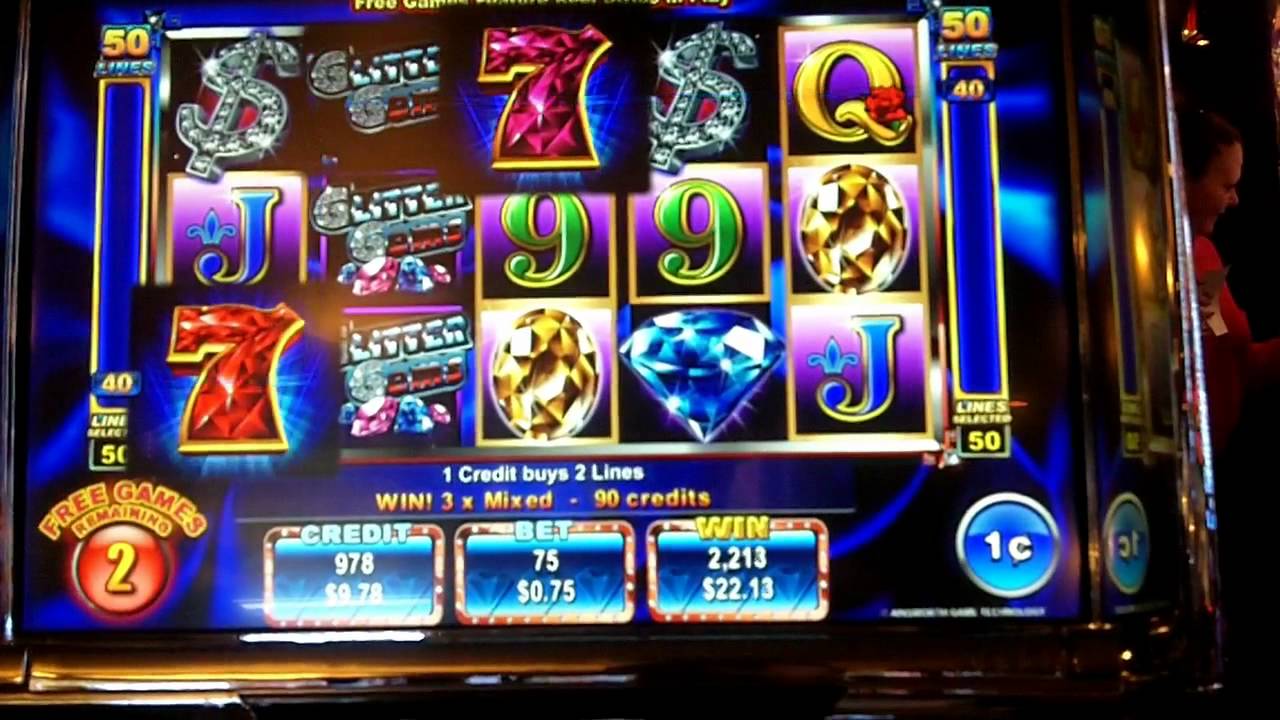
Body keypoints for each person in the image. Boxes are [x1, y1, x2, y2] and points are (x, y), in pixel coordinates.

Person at [1180, 108, 1280, 452]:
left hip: (1223, 453)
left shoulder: (1204, 253)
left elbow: (1232, 358)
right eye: (1227, 186)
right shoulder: (1155, 264)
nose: (1235, 199)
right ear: (1185, 179)